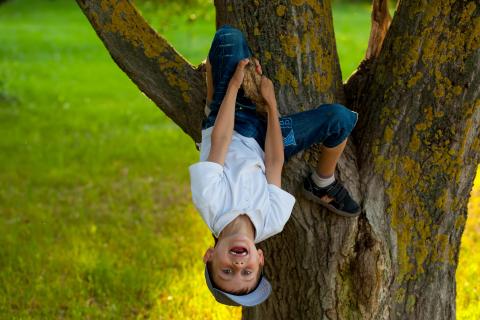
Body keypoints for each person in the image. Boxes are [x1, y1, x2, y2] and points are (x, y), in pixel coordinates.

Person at [189, 25, 360, 307]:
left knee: (228, 37)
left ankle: (212, 99)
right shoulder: (273, 220)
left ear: (209, 255)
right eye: (247, 271)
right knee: (339, 119)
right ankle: (323, 182)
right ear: (260, 258)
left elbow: (220, 141)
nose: (238, 263)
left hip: (229, 122)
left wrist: (234, 85)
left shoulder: (209, 201)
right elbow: (274, 161)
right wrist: (270, 104)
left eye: (227, 270)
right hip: (267, 137)